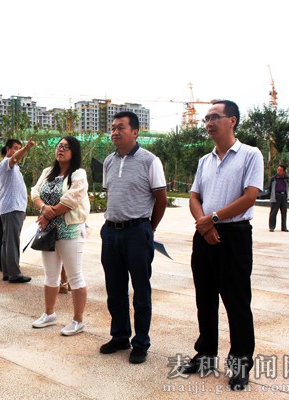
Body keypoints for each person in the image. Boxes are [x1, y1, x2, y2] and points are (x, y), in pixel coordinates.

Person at [180, 100, 264, 391]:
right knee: (205, 299)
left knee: (237, 302)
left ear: (233, 120)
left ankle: (240, 365)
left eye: (215, 117)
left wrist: (212, 219)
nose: (208, 123)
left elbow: (250, 196)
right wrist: (204, 224)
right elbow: (194, 197)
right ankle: (205, 354)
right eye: (206, 118)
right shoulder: (205, 160)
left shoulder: (250, 154)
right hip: (204, 234)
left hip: (234, 236)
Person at [99, 111, 167, 364]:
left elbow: (161, 199)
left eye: (121, 128)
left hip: (137, 232)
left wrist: (149, 228)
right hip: (111, 232)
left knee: (141, 290)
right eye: (113, 128)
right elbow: (112, 194)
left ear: (135, 132)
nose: (115, 132)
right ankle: (119, 336)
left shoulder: (150, 161)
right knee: (114, 289)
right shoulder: (109, 161)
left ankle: (141, 343)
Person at [30, 136, 91, 335]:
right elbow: (35, 192)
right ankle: (49, 314)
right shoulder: (48, 172)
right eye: (59, 146)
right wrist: (44, 209)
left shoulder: (78, 174)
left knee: (74, 276)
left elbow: (72, 198)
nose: (61, 150)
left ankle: (78, 320)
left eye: (66, 147)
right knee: (50, 275)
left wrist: (47, 215)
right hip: (48, 232)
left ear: (74, 152)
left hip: (69, 231)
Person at [0, 138, 35, 283]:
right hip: (12, 207)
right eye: (15, 148)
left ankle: (7, 272)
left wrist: (22, 208)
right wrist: (27, 147)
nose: (17, 151)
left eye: (19, 148)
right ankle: (14, 274)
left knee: (7, 240)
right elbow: (14, 158)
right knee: (12, 241)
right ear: (8, 149)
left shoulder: (15, 168)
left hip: (14, 207)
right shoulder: (6, 163)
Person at [268, 164, 289, 232]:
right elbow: (269, 187)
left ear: (284, 171)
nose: (278, 171)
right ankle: (272, 227)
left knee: (284, 212)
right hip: (276, 196)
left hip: (284, 196)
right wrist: (273, 194)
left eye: (280, 170)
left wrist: (287, 174)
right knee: (273, 212)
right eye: (278, 170)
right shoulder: (273, 178)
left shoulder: (286, 179)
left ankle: (284, 227)